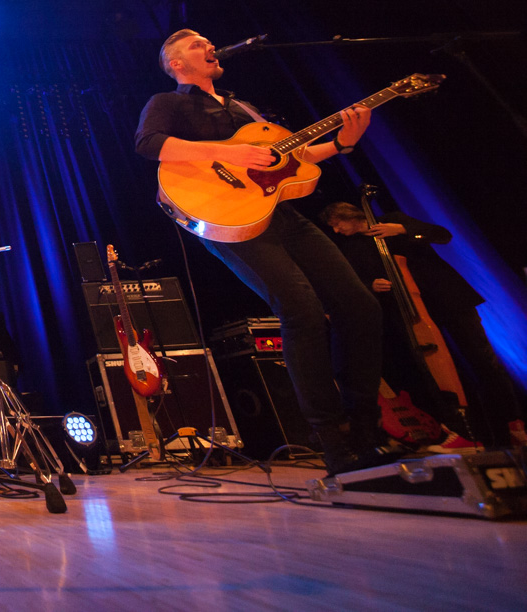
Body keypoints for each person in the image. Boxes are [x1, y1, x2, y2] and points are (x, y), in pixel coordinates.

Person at [134, 30, 384, 474]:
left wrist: (343, 143)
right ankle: (333, 440)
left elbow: (297, 157)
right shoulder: (168, 101)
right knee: (302, 310)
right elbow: (149, 144)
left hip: (282, 213)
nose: (208, 46)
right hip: (230, 219)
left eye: (207, 41)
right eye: (195, 45)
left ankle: (366, 429)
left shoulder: (244, 108)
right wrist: (232, 154)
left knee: (360, 306)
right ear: (176, 64)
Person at [320, 201, 527, 449]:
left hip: (447, 299)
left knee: (482, 360)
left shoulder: (394, 219)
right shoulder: (351, 248)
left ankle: (511, 424)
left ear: (350, 215)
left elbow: (442, 235)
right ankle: (463, 432)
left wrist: (402, 229)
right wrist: (370, 285)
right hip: (410, 313)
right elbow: (355, 281)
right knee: (438, 374)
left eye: (337, 224)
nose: (337, 230)